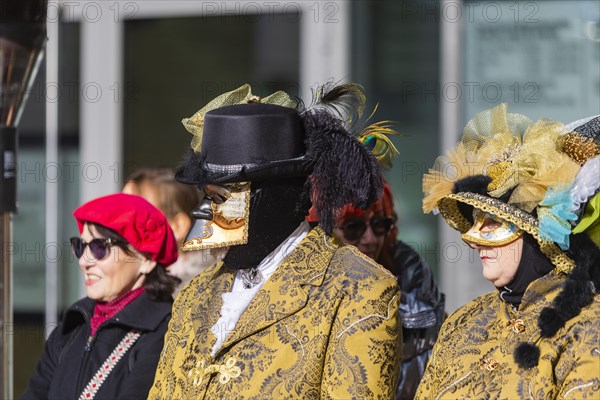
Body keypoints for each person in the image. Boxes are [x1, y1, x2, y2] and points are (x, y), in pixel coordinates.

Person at [149, 83, 402, 399]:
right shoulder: (194, 296)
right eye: (207, 193)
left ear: (275, 196)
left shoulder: (359, 290)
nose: (204, 208)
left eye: (223, 194)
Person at [415, 104, 600, 399]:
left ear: (536, 237)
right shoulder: (462, 322)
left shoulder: (588, 327)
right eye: (474, 221)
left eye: (492, 222)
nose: (473, 241)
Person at [22, 193, 179, 400]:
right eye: (80, 246)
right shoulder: (74, 324)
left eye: (99, 247)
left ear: (146, 259)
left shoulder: (164, 332)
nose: (84, 261)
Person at [332, 180, 445, 399]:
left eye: (380, 225)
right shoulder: (306, 285)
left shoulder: (411, 273)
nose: (370, 239)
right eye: (354, 226)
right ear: (325, 231)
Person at [122, 168, 224, 295]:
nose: (122, 223)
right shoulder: (123, 277)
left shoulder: (193, 292)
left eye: (137, 215)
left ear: (177, 227)